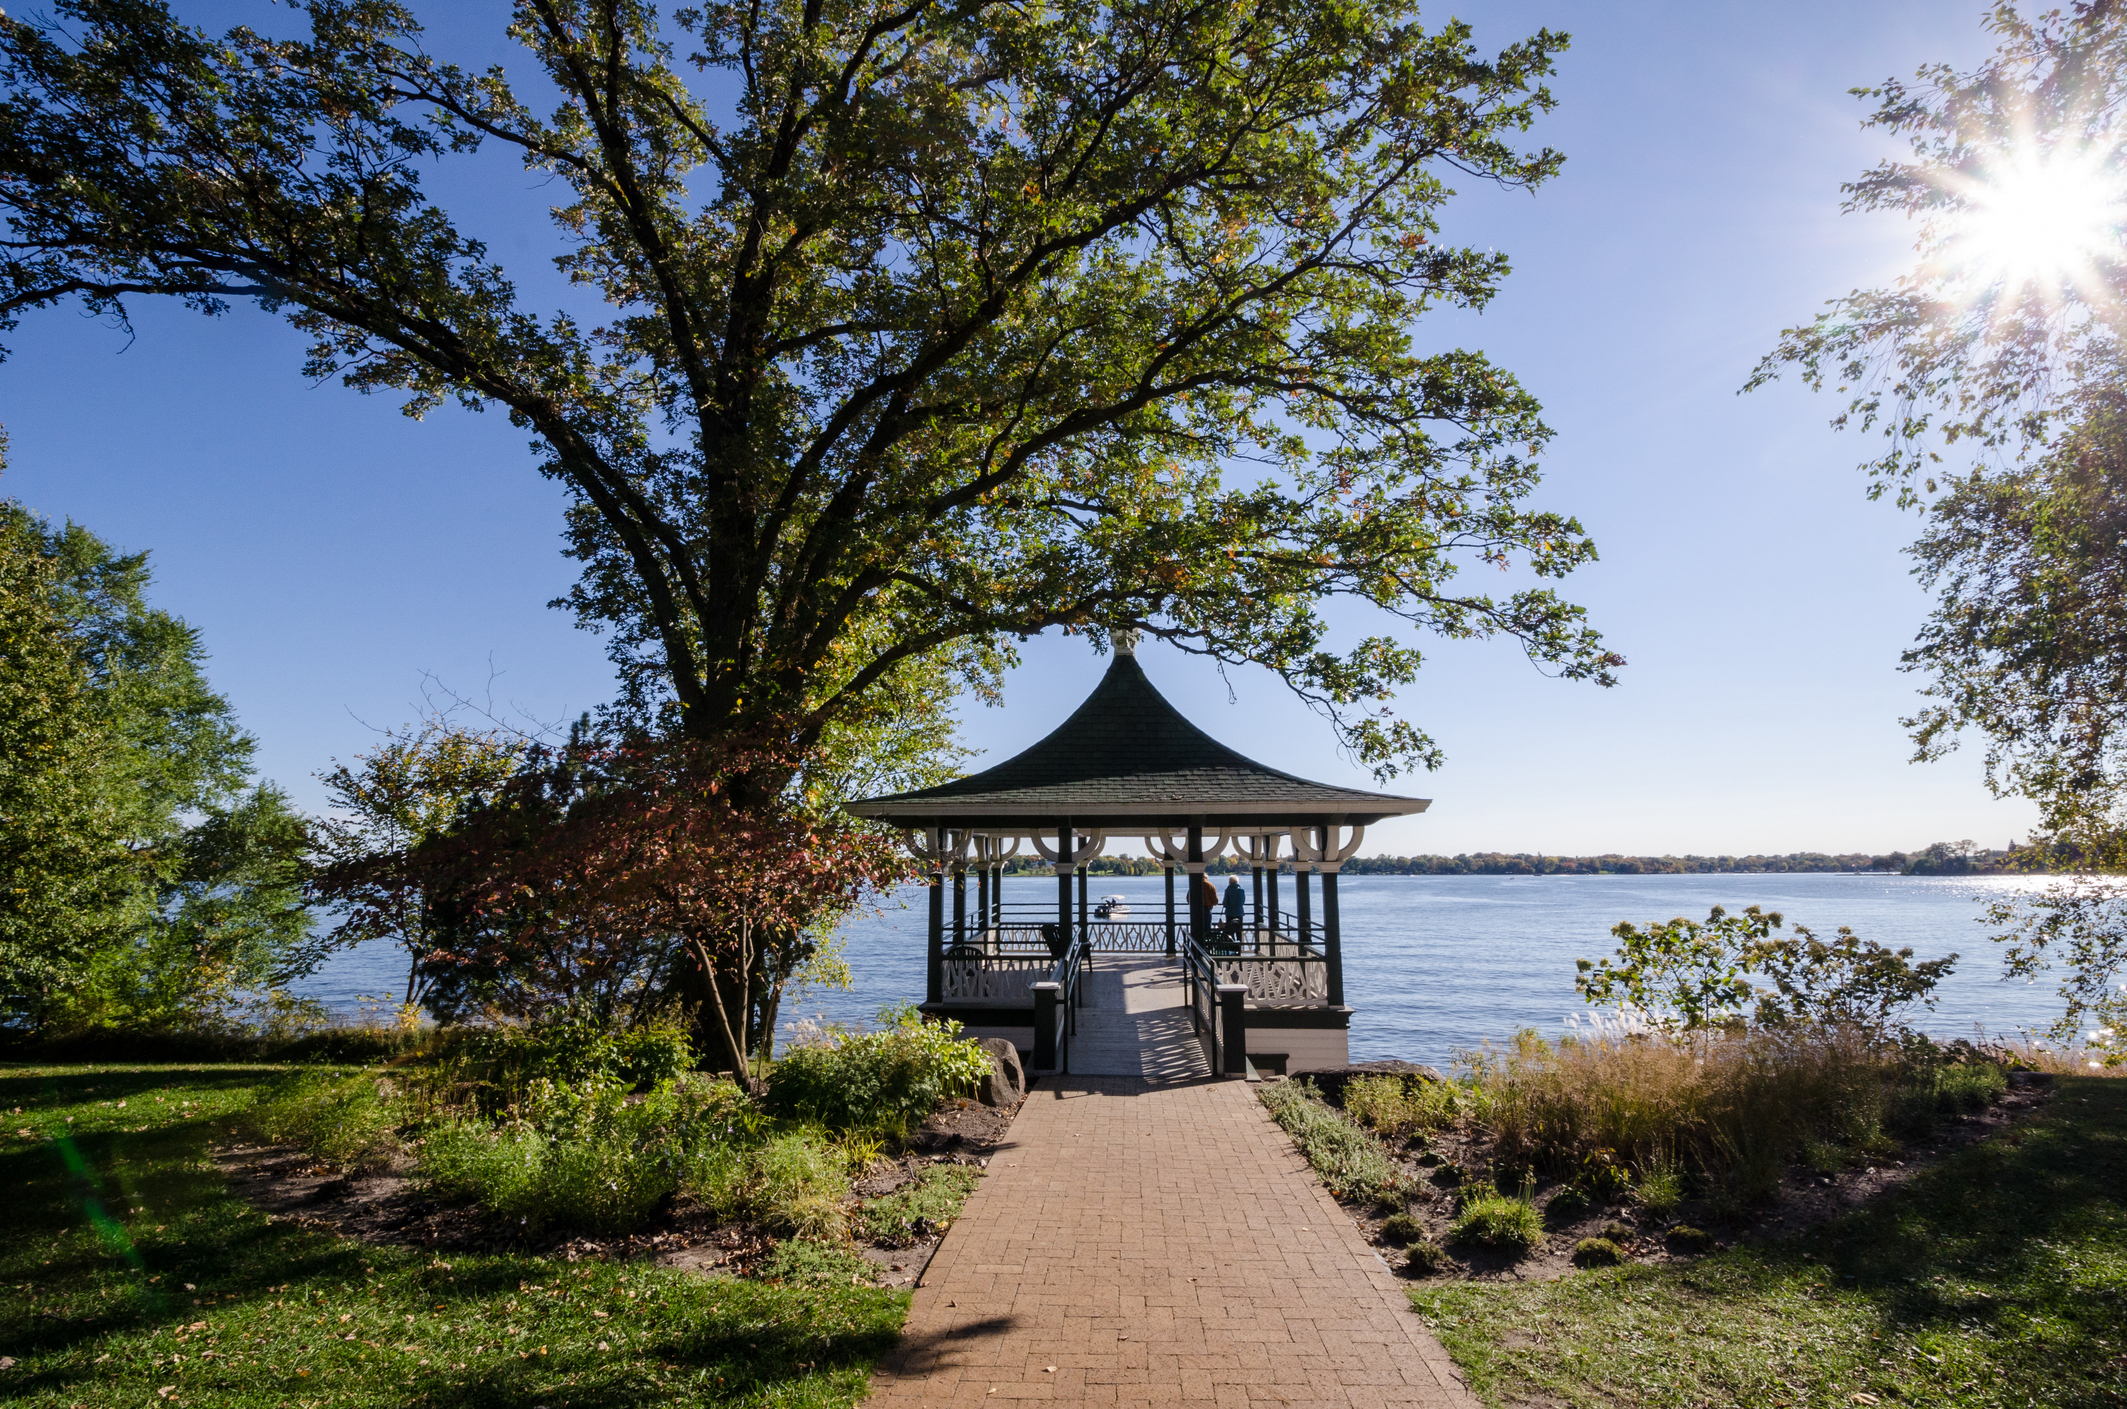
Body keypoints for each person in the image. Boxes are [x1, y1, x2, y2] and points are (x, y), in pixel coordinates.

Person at [1222, 874, 1247, 947]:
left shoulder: (1228, 890)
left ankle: (1231, 947)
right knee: (1239, 931)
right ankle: (1239, 947)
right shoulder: (1241, 891)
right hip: (1239, 913)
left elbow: (1225, 903)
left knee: (1230, 931)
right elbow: (1242, 902)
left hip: (1229, 913)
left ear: (1230, 882)